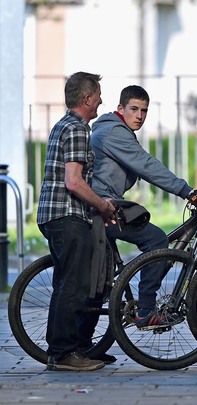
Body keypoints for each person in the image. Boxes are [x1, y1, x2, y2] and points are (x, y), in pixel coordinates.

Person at [91, 85, 197, 331]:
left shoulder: (113, 130)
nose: (139, 115)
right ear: (120, 108)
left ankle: (91, 344)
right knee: (157, 240)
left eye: (144, 111)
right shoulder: (114, 133)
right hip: (102, 207)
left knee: (105, 275)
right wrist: (186, 191)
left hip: (101, 204)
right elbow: (147, 166)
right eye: (134, 109)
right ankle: (147, 311)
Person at [37, 72, 116, 371]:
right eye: (97, 96)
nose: (101, 101)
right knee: (74, 285)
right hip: (68, 215)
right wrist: (103, 205)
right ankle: (65, 353)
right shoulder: (78, 129)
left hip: (53, 214)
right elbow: (74, 182)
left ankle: (59, 349)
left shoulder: (63, 125)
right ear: (86, 99)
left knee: (63, 283)